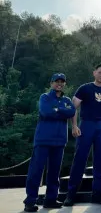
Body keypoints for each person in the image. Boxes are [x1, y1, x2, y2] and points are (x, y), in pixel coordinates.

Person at [63, 63, 101, 206]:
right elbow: (73, 108)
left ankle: (96, 195)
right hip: (86, 124)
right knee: (80, 159)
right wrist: (74, 125)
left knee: (99, 161)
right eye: (100, 72)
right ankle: (71, 195)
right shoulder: (84, 88)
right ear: (94, 73)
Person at [23, 73, 75, 212]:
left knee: (54, 172)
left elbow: (72, 112)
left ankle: (50, 199)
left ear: (64, 83)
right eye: (56, 81)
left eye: (62, 81)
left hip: (59, 141)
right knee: (36, 171)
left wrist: (58, 110)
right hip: (43, 140)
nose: (59, 84)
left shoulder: (67, 99)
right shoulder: (44, 97)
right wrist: (62, 111)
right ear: (51, 83)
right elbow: (46, 112)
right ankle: (30, 201)